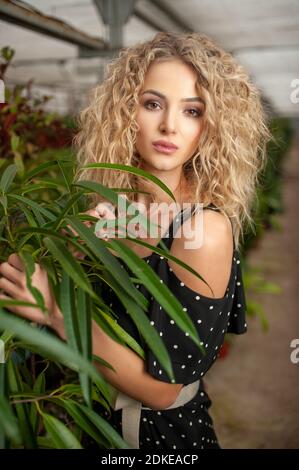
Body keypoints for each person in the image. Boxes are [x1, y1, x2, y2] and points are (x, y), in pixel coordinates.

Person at [0, 31, 270, 449]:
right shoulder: (108, 211)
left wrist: (55, 309)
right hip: (92, 425)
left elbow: (161, 390)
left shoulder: (203, 230)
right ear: (126, 111)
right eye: (152, 103)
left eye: (193, 111)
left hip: (160, 441)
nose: (168, 125)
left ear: (212, 126)